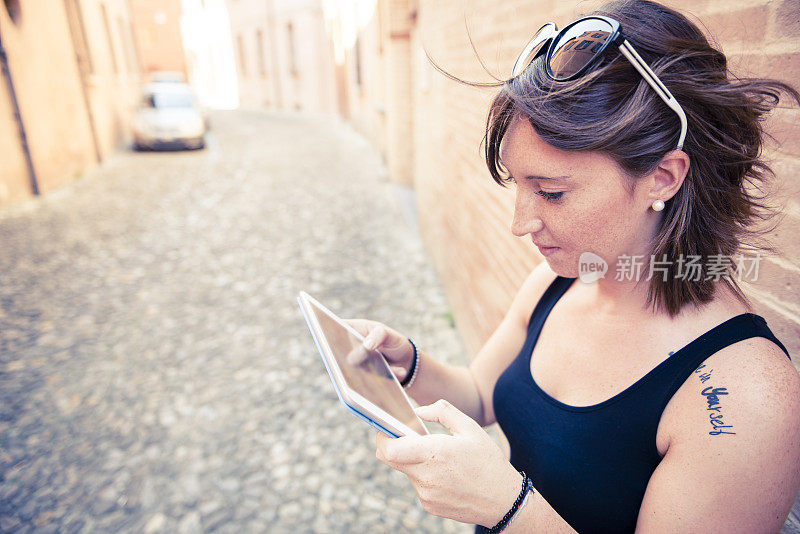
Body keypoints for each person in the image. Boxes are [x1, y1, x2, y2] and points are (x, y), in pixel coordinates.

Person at [349, 0, 800, 532]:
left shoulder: (743, 393)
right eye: (519, 185)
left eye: (553, 193)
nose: (521, 224)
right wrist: (409, 366)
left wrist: (508, 508)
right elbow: (479, 394)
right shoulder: (557, 283)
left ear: (663, 177)